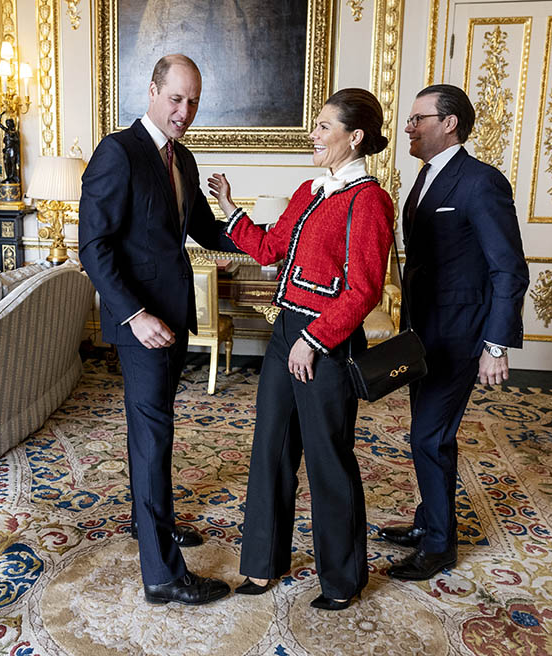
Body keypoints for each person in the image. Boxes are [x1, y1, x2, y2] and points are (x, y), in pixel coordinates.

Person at [208, 88, 394, 610]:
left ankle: (342, 580)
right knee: (270, 448)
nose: (312, 135)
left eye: (323, 126)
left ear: (354, 137)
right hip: (285, 332)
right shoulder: (309, 190)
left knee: (328, 459)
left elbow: (364, 289)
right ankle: (263, 565)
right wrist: (229, 208)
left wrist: (314, 342)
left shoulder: (369, 201)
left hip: (327, 343)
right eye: (314, 124)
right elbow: (269, 248)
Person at [79, 54, 237, 606]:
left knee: (156, 434)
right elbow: (93, 247)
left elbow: (205, 232)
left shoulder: (185, 160)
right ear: (151, 91)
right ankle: (163, 575)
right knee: (153, 438)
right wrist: (132, 315)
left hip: (174, 319)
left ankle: (152, 524)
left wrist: (268, 233)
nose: (185, 111)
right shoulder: (116, 153)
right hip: (139, 323)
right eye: (175, 98)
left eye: (193, 102)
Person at [381, 84, 528, 580]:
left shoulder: (481, 182)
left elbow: (508, 269)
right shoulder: (422, 179)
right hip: (424, 331)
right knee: (428, 432)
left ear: (450, 123)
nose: (408, 126)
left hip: (464, 334)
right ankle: (428, 522)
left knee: (428, 435)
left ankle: (441, 546)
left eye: (418, 117)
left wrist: (495, 345)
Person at [0, 113, 20, 184]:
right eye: (7, 123)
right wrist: (1, 115)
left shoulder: (14, 132)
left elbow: (17, 142)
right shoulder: (6, 131)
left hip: (12, 149)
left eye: (9, 123)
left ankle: (13, 177)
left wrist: (18, 158)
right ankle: (8, 177)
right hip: (7, 149)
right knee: (6, 162)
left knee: (12, 163)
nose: (8, 125)